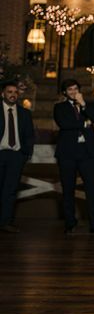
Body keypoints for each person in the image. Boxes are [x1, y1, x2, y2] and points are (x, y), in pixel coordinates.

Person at [54, 79, 94, 234]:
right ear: (65, 92)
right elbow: (64, 124)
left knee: (93, 188)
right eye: (70, 89)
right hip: (67, 153)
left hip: (87, 152)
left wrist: (83, 105)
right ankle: (70, 222)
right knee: (68, 189)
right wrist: (84, 124)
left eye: (76, 88)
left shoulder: (88, 105)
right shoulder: (59, 107)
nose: (73, 92)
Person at [0, 81, 34, 233]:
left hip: (16, 156)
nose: (13, 94)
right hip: (0, 153)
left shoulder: (24, 113)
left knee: (11, 190)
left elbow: (29, 136)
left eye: (15, 92)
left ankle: (6, 222)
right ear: (3, 94)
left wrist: (25, 154)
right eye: (9, 92)